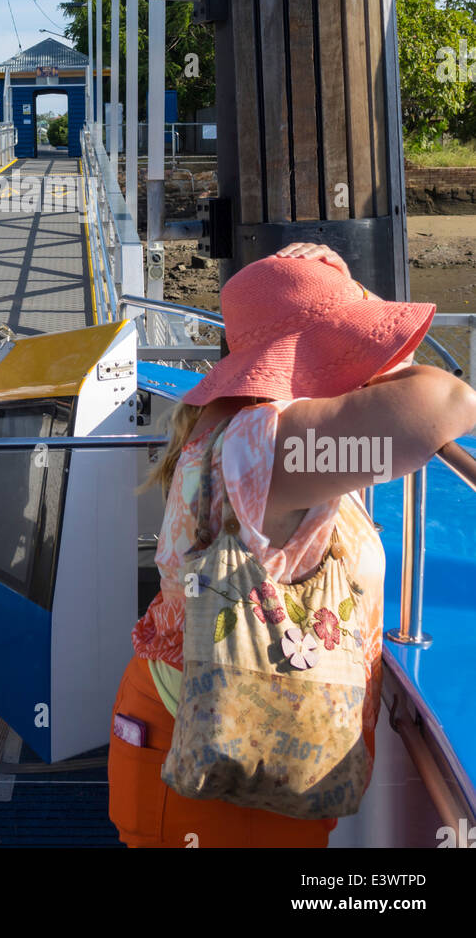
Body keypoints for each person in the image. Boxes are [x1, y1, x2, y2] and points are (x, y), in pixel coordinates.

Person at [108, 241, 476, 849]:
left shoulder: (246, 423)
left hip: (236, 747)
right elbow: (449, 401)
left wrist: (342, 299)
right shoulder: (269, 443)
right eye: (347, 343)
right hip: (217, 771)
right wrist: (358, 320)